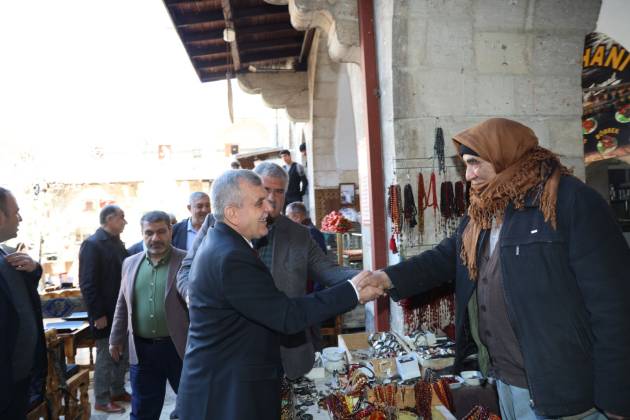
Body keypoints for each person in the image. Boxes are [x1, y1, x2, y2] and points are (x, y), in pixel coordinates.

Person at [363, 118, 630, 420]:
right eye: (465, 164)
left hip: (564, 390)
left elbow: (615, 304)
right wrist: (385, 278)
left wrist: (617, 394)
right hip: (506, 382)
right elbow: (446, 257)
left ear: (505, 154)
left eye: (475, 162)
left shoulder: (570, 201)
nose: (468, 175)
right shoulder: (484, 210)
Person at [176, 169, 382, 420]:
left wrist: (370, 278)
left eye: (274, 194)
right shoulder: (230, 254)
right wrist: (353, 292)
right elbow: (287, 315)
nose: (268, 206)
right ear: (232, 212)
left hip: (246, 375)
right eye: (259, 201)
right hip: (227, 391)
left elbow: (328, 271)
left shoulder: (229, 240)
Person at [110, 211, 188, 420]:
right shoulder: (130, 263)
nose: (156, 238)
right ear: (142, 234)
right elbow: (122, 304)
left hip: (179, 349)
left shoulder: (187, 260)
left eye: (161, 231)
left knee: (192, 406)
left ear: (171, 231)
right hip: (142, 350)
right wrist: (115, 339)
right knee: (143, 410)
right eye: (149, 233)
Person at [79, 204, 130, 414]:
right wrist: (98, 314)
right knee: (106, 356)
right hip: (105, 313)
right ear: (109, 219)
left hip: (122, 310)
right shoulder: (92, 244)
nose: (125, 221)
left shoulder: (117, 244)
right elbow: (88, 283)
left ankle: (117, 390)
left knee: (122, 353)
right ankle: (101, 398)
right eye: (121, 217)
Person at [0, 188, 47, 420]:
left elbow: (19, 298)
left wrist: (34, 270)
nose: (20, 218)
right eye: (16, 212)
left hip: (18, 381)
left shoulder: (5, 254)